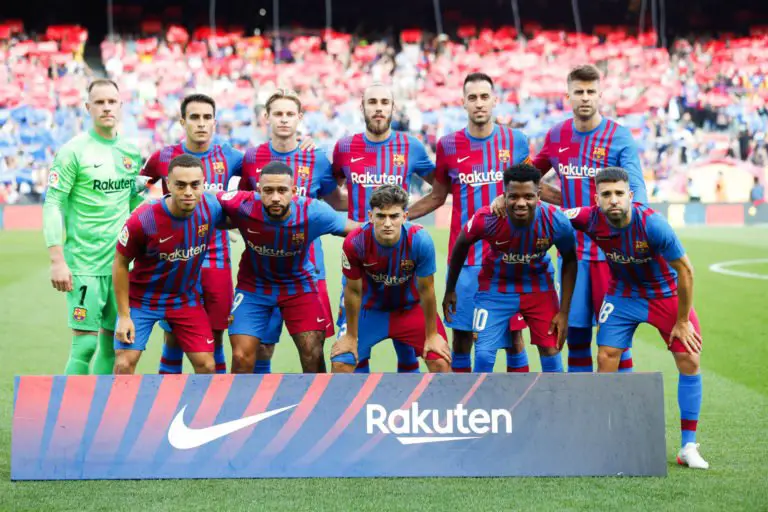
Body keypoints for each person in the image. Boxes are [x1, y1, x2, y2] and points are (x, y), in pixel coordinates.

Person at [493, 64, 648, 373]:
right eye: (579, 91)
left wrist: (638, 228)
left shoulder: (619, 137)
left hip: (610, 254)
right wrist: (504, 194)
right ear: (568, 96)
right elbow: (529, 175)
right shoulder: (557, 135)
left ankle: (624, 401)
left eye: (591, 91)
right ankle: (581, 403)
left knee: (615, 341)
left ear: (600, 95)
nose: (585, 97)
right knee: (575, 337)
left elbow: (637, 191)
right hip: (572, 254)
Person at [566, 167, 708, 469]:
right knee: (606, 356)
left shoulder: (653, 225)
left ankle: (688, 446)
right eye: (606, 194)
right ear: (596, 198)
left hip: (665, 294)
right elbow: (551, 215)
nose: (613, 200)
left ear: (630, 195)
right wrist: (503, 201)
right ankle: (605, 436)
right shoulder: (589, 218)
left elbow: (686, 271)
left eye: (619, 193)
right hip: (623, 295)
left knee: (689, 358)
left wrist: (683, 321)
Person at [408, 72, 531, 373]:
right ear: (463, 102)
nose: (479, 103)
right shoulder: (448, 145)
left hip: (507, 259)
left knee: (514, 338)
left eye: (484, 96)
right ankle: (465, 400)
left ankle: (519, 399)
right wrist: (402, 215)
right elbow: (437, 196)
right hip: (464, 260)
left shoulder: (516, 141)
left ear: (495, 100)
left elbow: (533, 190)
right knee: (461, 337)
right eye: (472, 97)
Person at [240, 89, 346, 374]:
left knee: (313, 346)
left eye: (290, 114)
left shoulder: (317, 158)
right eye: (278, 114)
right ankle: (260, 397)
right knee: (262, 346)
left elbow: (336, 201)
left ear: (300, 117)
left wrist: (381, 202)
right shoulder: (251, 157)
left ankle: (315, 400)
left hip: (309, 269)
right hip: (263, 271)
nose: (284, 119)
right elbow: (243, 205)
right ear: (267, 117)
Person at [43, 79, 145, 375]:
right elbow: (53, 203)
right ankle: (69, 405)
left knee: (115, 344)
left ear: (121, 106)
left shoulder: (130, 151)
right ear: (88, 108)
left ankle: (99, 404)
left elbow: (132, 203)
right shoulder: (73, 151)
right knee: (84, 345)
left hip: (121, 265)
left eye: (112, 101)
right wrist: (57, 259)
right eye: (99, 102)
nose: (106, 107)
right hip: (84, 263)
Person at [332, 83, 436, 373]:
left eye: (384, 102)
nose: (378, 108)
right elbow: (331, 192)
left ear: (392, 108)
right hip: (362, 257)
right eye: (372, 102)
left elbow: (439, 189)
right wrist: (355, 226)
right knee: (354, 351)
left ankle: (408, 399)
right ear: (362, 107)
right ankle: (360, 402)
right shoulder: (344, 147)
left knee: (408, 350)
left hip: (402, 259)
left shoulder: (411, 146)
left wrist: (405, 217)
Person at [220, 161, 358, 373]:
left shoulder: (313, 211)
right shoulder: (243, 203)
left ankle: (316, 395)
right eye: (268, 191)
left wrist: (400, 231)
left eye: (282, 190)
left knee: (312, 352)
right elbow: (207, 198)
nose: (275, 197)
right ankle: (245, 396)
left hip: (298, 287)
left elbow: (358, 231)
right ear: (258, 191)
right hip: (253, 287)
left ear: (293, 191)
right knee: (240, 356)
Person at [141, 93, 243, 375]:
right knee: (173, 335)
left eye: (207, 117)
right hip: (176, 259)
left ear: (215, 122)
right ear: (183, 121)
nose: (201, 123)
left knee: (216, 335)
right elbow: (138, 186)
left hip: (216, 259)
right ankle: (169, 396)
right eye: (194, 117)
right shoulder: (163, 156)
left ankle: (214, 397)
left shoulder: (230, 156)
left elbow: (263, 172)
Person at [444, 165, 577, 372]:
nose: (521, 203)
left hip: (539, 288)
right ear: (504, 195)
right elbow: (461, 245)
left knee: (552, 350)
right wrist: (450, 289)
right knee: (484, 355)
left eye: (528, 196)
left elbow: (570, 260)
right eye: (514, 196)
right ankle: (479, 393)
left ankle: (553, 393)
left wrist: (564, 312)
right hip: (495, 288)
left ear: (538, 195)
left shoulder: (556, 221)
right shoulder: (488, 218)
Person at [113, 154, 225, 374]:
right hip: (141, 300)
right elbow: (120, 263)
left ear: (203, 184)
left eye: (195, 185)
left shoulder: (212, 207)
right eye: (180, 185)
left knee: (207, 365)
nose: (188, 192)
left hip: (184, 300)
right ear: (168, 185)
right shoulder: (143, 220)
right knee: (124, 363)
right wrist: (124, 316)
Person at [331, 185, 451, 373]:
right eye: (381, 216)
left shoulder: (420, 240)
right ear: (371, 216)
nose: (387, 223)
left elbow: (426, 290)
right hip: (368, 310)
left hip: (409, 309)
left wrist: (432, 335)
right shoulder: (355, 242)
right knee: (341, 364)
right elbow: (353, 291)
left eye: (394, 216)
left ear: (405, 216)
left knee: (440, 362)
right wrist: (351, 337)